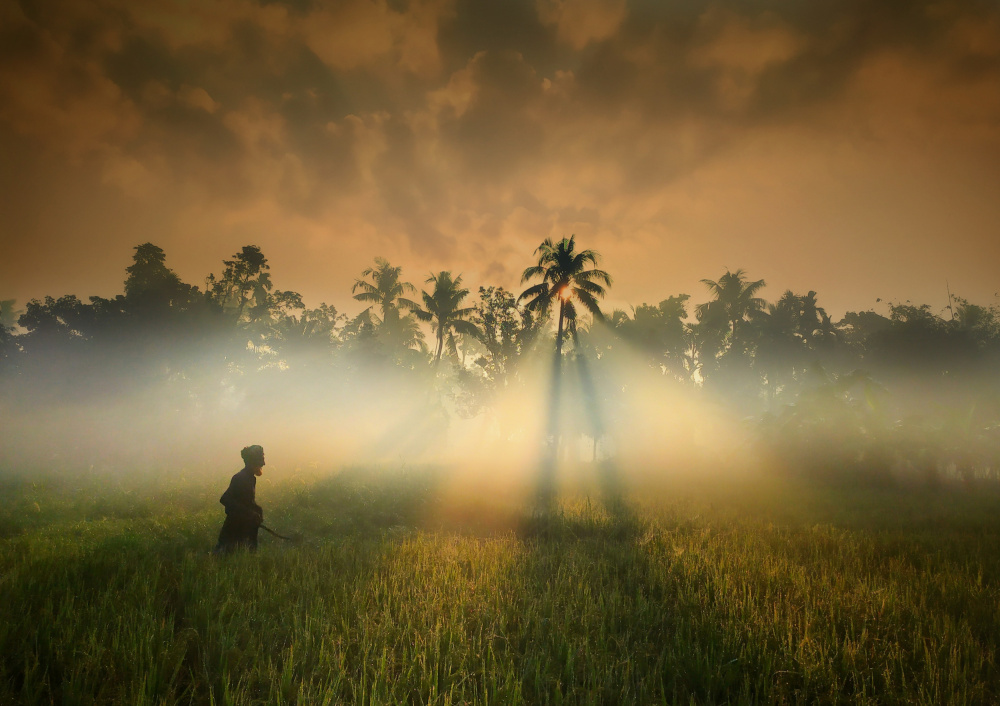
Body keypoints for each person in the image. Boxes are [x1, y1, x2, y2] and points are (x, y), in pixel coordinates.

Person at [213, 445, 265, 554]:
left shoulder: (251, 478)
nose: (262, 465)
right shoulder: (240, 478)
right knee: (226, 557)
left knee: (246, 557)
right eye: (259, 463)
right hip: (234, 527)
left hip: (246, 525)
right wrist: (249, 513)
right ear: (252, 463)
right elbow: (225, 499)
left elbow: (247, 501)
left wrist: (257, 510)